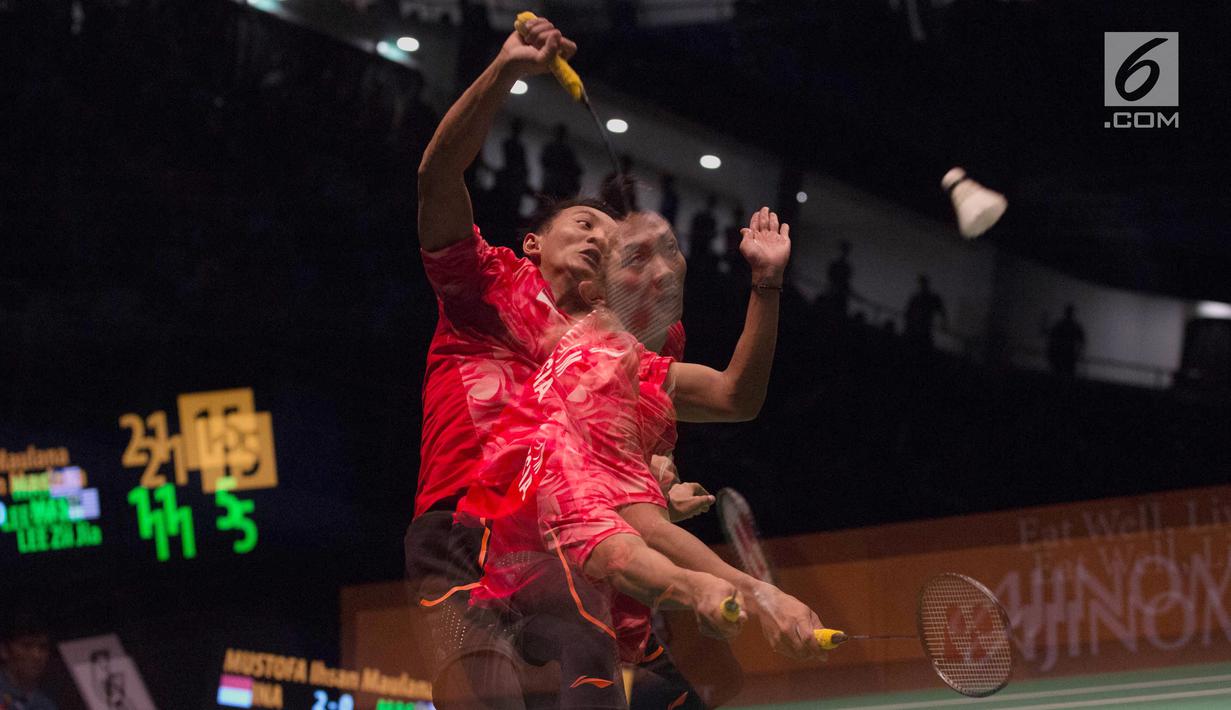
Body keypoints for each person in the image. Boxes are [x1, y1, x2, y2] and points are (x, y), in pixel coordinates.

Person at [411, 15, 819, 707]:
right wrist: (508, 66)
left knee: (666, 690)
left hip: (576, 549)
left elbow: (730, 398)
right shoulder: (486, 287)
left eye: (611, 232)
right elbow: (437, 174)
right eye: (582, 223)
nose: (601, 236)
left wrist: (766, 286)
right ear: (532, 245)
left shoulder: (614, 359)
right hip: (467, 531)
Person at [459, 207, 823, 706]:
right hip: (524, 611)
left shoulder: (630, 365)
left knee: (706, 685)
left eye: (670, 255)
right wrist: (751, 595)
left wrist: (766, 283)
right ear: (596, 294)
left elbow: (737, 397)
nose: (660, 272)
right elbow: (635, 530)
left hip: (570, 599)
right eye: (635, 259)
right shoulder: (595, 368)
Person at [0, 612, 58, 710]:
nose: (37, 655)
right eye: (26, 646)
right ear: (4, 650)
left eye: (43, 647)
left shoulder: (45, 705)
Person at [903, 274, 947, 351]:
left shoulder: (931, 298)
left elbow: (942, 312)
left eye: (923, 283)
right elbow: (907, 313)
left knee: (922, 347)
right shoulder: (916, 298)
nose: (922, 285)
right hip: (915, 329)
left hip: (923, 329)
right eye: (921, 283)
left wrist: (943, 323)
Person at [540, 123, 582, 200]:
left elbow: (573, 168)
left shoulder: (567, 150)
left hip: (560, 186)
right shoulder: (551, 148)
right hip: (553, 184)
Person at [1047, 304, 1085, 377]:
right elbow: (1082, 341)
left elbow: (1082, 341)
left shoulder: (1064, 325)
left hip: (1066, 355)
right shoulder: (1072, 326)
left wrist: (1078, 353)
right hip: (1063, 356)